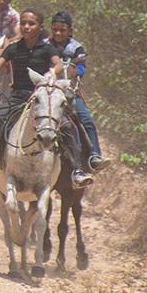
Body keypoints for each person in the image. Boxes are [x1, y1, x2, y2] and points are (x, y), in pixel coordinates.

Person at [0, 9, 92, 188]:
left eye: (31, 24)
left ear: (40, 27)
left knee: (65, 125)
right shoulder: (13, 48)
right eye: (23, 23)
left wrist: (51, 73)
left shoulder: (47, 48)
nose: (26, 26)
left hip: (41, 96)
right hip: (18, 95)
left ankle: (77, 170)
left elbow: (57, 64)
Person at [48, 11, 109, 172]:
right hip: (46, 92)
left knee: (86, 119)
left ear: (70, 31)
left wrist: (75, 71)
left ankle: (94, 156)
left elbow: (81, 67)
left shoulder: (76, 48)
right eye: (55, 29)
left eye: (62, 30)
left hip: (69, 93)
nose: (58, 33)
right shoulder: (45, 44)